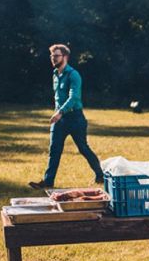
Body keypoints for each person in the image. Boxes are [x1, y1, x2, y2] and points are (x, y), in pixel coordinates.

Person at [29, 44, 104, 190]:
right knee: (54, 149)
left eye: (56, 56)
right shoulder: (55, 74)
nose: (53, 58)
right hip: (59, 119)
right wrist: (58, 113)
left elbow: (74, 97)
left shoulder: (73, 74)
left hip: (75, 118)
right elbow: (58, 97)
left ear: (65, 57)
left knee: (83, 148)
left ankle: (100, 175)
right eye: (51, 56)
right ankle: (48, 182)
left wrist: (59, 112)